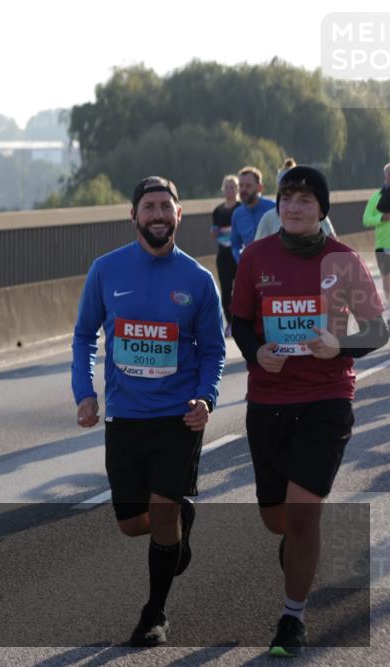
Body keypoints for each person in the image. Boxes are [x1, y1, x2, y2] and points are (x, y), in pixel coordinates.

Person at [230, 166, 388, 657]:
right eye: (287, 198)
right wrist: (256, 352)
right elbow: (240, 324)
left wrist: (338, 344)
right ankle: (293, 545)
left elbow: (378, 332)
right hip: (269, 402)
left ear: (322, 209)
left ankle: (292, 618)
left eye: (305, 199)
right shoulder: (256, 258)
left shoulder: (343, 260)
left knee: (302, 514)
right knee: (276, 518)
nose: (294, 206)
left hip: (327, 399)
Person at [72, 176, 226, 647]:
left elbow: (214, 350)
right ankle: (182, 517)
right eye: (149, 207)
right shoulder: (106, 270)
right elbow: (83, 336)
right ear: (134, 215)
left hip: (178, 416)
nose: (158, 215)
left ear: (179, 215)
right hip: (125, 415)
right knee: (130, 523)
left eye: (166, 207)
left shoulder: (198, 280)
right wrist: (85, 392)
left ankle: (154, 613)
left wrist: (206, 397)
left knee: (160, 515)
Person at [254, 160, 336, 241]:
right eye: (286, 198)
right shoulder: (268, 218)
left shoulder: (317, 217)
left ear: (321, 210)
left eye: (304, 201)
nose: (293, 209)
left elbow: (332, 239)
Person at [211, 175, 239, 335]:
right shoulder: (218, 211)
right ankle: (230, 323)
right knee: (226, 290)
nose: (230, 190)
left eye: (233, 186)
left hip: (240, 254)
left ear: (237, 189)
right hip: (223, 255)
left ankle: (243, 321)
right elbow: (215, 229)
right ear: (223, 189)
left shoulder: (241, 209)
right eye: (227, 187)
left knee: (241, 289)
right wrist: (214, 232)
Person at [230, 166, 276, 263]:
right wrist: (242, 262)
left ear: (260, 188)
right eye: (241, 186)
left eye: (248, 186)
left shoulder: (274, 209)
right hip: (251, 267)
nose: (243, 190)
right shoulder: (237, 214)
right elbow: (235, 245)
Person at [362, 162, 390, 306]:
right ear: (385, 176)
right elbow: (366, 219)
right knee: (387, 281)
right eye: (389, 174)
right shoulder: (376, 197)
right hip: (383, 246)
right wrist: (381, 218)